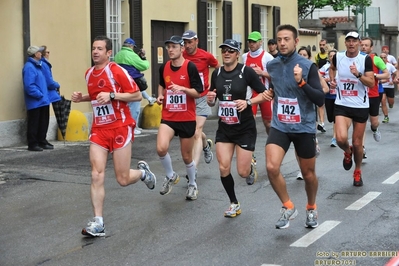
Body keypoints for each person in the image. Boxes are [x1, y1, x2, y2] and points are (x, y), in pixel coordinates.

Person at [71, 35, 156, 237]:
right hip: (99, 130)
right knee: (96, 174)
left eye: (100, 48)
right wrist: (81, 98)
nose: (95, 52)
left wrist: (112, 95)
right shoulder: (89, 74)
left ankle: (143, 174)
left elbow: (136, 95)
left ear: (109, 53)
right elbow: (96, 95)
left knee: (123, 179)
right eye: (93, 48)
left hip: (120, 127)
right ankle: (98, 222)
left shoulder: (117, 71)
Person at [266, 24, 325, 229]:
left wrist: (301, 83)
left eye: (286, 39)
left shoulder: (307, 66)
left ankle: (311, 207)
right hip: (280, 124)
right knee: (272, 167)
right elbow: (276, 87)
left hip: (304, 127)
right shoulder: (272, 65)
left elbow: (319, 98)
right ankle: (288, 205)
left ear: (296, 41)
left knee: (308, 174)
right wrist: (269, 93)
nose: (282, 43)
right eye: (279, 39)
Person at [207, 39, 272, 217]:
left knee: (242, 173)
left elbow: (266, 94)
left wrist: (248, 102)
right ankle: (234, 203)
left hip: (244, 127)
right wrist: (211, 99)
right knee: (223, 167)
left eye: (231, 50)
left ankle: (250, 166)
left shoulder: (247, 72)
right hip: (225, 127)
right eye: (224, 50)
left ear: (237, 54)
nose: (226, 53)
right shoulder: (217, 73)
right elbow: (213, 95)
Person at [156, 35, 203, 200]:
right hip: (168, 116)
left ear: (182, 49)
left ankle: (192, 184)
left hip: (186, 118)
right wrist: (160, 95)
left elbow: (198, 92)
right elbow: (162, 83)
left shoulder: (190, 67)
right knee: (161, 148)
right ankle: (170, 176)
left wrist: (183, 89)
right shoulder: (164, 67)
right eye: (168, 47)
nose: (170, 50)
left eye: (174, 47)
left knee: (186, 156)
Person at [329, 31, 374, 187]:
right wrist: (332, 80)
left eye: (354, 40)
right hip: (342, 103)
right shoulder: (338, 57)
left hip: (360, 105)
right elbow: (332, 68)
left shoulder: (365, 59)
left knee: (357, 143)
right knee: (340, 139)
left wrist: (358, 74)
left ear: (359, 43)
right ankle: (347, 153)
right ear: (345, 43)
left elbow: (371, 83)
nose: (351, 43)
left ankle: (358, 171)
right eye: (348, 40)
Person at [182, 29, 220, 181]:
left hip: (202, 97)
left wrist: (215, 88)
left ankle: (194, 169)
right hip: (187, 99)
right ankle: (206, 145)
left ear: (196, 41)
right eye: (185, 43)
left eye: (190, 42)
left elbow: (218, 69)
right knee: (192, 132)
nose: (187, 45)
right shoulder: (181, 55)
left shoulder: (206, 56)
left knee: (196, 131)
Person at [114, 38, 156, 135]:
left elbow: (128, 63)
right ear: (132, 46)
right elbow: (144, 66)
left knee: (124, 107)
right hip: (132, 82)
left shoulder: (118, 55)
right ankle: (132, 127)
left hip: (120, 83)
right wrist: (143, 57)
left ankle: (126, 126)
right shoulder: (131, 54)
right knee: (135, 106)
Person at [359, 37, 389, 157]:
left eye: (367, 45)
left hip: (373, 95)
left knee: (374, 122)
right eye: (362, 45)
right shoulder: (357, 58)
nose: (364, 47)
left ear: (371, 48)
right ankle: (362, 148)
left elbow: (387, 73)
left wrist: (375, 75)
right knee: (361, 123)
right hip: (360, 96)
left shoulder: (376, 59)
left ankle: (375, 129)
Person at [242, 31, 274, 135]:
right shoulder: (244, 57)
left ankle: (272, 143)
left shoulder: (268, 57)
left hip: (265, 93)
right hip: (250, 93)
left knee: (268, 123)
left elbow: (275, 77)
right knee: (249, 121)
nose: (251, 44)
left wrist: (262, 73)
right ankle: (250, 149)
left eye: (254, 42)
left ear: (260, 42)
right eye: (250, 41)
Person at [22, 46, 51, 152]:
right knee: (34, 123)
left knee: (43, 122)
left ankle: (41, 141)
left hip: (42, 100)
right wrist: (39, 95)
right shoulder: (29, 67)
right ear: (35, 54)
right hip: (36, 101)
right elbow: (29, 86)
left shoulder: (38, 65)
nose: (41, 53)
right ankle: (33, 143)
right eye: (39, 52)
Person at [40, 45, 61, 150]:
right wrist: (57, 84)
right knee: (44, 118)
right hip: (46, 94)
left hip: (45, 93)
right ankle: (42, 140)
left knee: (43, 118)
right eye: (47, 52)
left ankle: (42, 139)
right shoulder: (44, 64)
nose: (49, 54)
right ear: (44, 54)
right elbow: (49, 81)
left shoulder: (43, 64)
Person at [319, 49, 338, 147]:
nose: (332, 57)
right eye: (330, 56)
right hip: (328, 95)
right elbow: (318, 76)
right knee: (330, 118)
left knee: (335, 117)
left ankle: (334, 138)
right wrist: (326, 79)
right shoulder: (325, 67)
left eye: (334, 55)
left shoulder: (341, 67)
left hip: (338, 96)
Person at [380, 52, 397, 123]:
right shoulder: (377, 66)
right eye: (381, 57)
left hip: (390, 86)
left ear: (386, 59)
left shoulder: (390, 66)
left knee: (391, 102)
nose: (383, 59)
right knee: (383, 101)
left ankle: (391, 104)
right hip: (381, 86)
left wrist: (394, 80)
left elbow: (397, 73)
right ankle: (386, 117)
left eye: (384, 57)